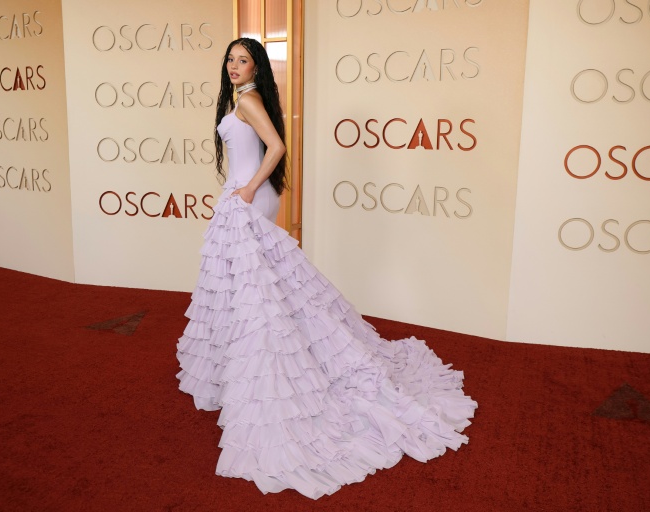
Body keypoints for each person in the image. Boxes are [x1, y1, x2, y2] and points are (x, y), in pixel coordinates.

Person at [176, 37, 477, 500]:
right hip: (250, 196)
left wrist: (250, 189)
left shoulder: (249, 100)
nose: (234, 67)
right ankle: (247, 371)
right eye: (230, 60)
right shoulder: (243, 99)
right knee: (257, 288)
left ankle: (273, 374)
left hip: (247, 198)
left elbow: (276, 147)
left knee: (259, 291)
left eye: (243, 60)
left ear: (255, 67)